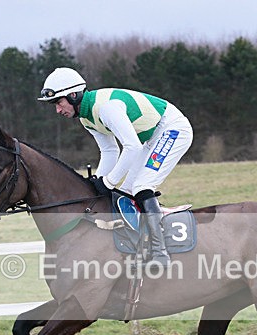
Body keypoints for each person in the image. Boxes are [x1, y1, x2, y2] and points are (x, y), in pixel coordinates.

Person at [38, 67, 193, 266]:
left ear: (74, 95)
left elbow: (132, 147)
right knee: (126, 192)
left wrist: (109, 182)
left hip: (172, 129)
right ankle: (140, 245)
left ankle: (160, 253)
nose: (58, 110)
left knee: (141, 187)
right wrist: (98, 182)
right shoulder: (86, 118)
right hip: (150, 139)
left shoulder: (106, 108)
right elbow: (110, 151)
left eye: (59, 102)